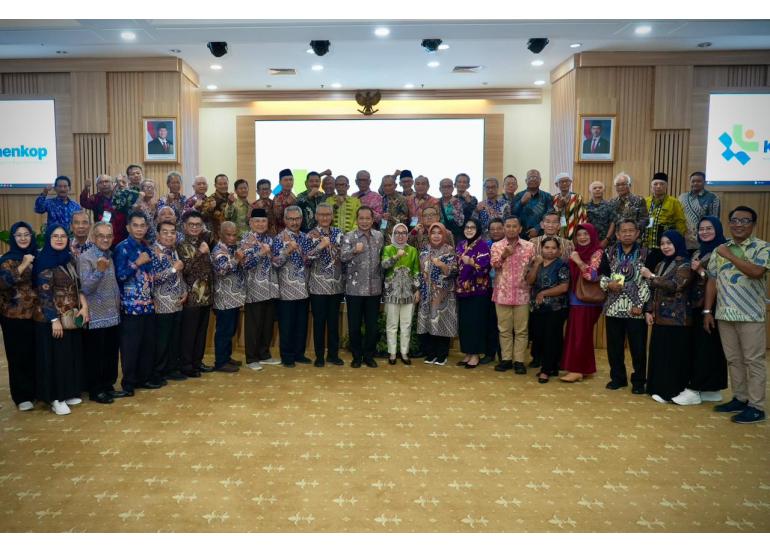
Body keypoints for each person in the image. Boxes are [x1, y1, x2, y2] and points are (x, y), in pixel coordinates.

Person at [705, 206, 769, 424]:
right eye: (734, 220)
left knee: (754, 361)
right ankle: (740, 398)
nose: (738, 224)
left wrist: (730, 256)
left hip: (751, 315)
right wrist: (707, 310)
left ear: (753, 224)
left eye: (745, 221)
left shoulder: (762, 248)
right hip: (724, 314)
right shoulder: (721, 249)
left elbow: (756, 272)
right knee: (733, 360)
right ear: (729, 223)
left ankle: (757, 407)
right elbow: (712, 280)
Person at [32, 225, 89, 415]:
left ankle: (68, 392)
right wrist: (53, 320)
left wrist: (84, 306)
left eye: (63, 236)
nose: (59, 239)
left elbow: (78, 285)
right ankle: (55, 398)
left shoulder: (68, 258)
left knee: (69, 356)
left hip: (70, 316)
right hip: (51, 319)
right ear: (49, 239)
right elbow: (44, 294)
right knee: (55, 359)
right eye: (55, 236)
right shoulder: (44, 261)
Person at [672, 216, 728, 405]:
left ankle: (695, 389)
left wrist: (700, 271)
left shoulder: (723, 251)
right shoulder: (698, 251)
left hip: (712, 305)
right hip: (696, 304)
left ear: (718, 229)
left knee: (707, 347)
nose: (704, 232)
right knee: (703, 346)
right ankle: (711, 388)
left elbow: (720, 280)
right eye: (701, 229)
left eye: (709, 228)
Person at [641, 231, 694, 403]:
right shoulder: (661, 263)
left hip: (677, 319)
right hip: (659, 317)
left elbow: (675, 285)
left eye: (669, 243)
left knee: (673, 357)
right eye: (662, 243)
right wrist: (648, 310)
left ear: (677, 243)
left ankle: (671, 392)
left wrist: (651, 276)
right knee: (660, 354)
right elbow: (652, 289)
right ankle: (657, 388)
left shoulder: (685, 264)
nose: (665, 247)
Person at [599, 219, 651, 394]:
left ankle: (639, 381)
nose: (627, 234)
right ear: (617, 234)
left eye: (631, 231)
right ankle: (617, 378)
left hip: (635, 308)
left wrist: (641, 305)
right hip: (613, 307)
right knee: (614, 347)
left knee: (638, 348)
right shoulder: (609, 252)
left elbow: (649, 281)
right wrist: (608, 284)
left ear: (637, 233)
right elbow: (601, 275)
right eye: (624, 231)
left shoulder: (646, 253)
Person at [114, 211, 158, 395]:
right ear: (128, 227)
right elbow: (120, 276)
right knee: (130, 347)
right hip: (130, 307)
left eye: (142, 225)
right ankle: (129, 384)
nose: (139, 229)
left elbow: (150, 276)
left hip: (148, 305)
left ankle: (144, 379)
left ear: (147, 228)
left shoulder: (146, 247)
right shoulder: (121, 248)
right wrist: (137, 263)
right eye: (135, 225)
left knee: (147, 345)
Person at [78, 221, 121, 404]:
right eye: (101, 236)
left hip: (113, 313)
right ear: (94, 237)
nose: (105, 239)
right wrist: (99, 271)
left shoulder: (109, 255)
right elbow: (85, 288)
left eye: (108, 236)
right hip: (96, 315)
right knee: (96, 355)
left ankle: (108, 386)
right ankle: (96, 390)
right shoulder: (86, 257)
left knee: (111, 353)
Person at [0, 222, 38, 411]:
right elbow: (2, 283)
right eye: (19, 235)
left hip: (36, 315)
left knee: (35, 355)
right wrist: (23, 265)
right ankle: (22, 396)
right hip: (13, 316)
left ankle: (36, 391)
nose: (23, 238)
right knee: (18, 356)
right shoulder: (7, 260)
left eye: (26, 234)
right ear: (13, 238)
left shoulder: (37, 256)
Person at [560, 223, 604, 383]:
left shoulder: (597, 252)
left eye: (586, 234)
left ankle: (577, 370)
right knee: (578, 334)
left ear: (592, 235)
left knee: (580, 335)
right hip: (576, 298)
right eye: (579, 235)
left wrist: (578, 261)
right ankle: (583, 368)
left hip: (588, 300)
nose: (582, 237)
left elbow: (592, 276)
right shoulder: (577, 251)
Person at [341, 206, 384, 368]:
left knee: (372, 327)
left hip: (374, 289)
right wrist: (354, 250)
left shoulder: (379, 236)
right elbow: (342, 257)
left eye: (368, 218)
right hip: (354, 290)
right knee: (354, 327)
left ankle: (369, 356)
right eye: (361, 218)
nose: (364, 221)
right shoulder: (349, 236)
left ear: (372, 220)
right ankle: (357, 356)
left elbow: (382, 259)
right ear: (356, 219)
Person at [490, 216, 534, 374]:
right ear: (504, 228)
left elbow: (533, 268)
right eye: (507, 226)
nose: (511, 229)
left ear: (520, 228)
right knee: (504, 330)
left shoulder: (529, 246)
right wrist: (504, 255)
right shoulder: (497, 246)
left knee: (521, 330)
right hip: (502, 293)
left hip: (523, 294)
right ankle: (506, 359)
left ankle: (519, 361)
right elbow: (494, 265)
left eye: (514, 226)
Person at [272, 206, 314, 367]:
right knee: (287, 325)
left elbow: (310, 260)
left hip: (304, 288)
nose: (294, 222)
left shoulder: (306, 237)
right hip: (286, 290)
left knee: (301, 324)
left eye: (297, 219)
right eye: (290, 219)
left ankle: (299, 354)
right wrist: (287, 251)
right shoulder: (279, 238)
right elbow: (275, 263)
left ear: (301, 219)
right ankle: (287, 356)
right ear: (285, 220)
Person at [241, 208, 281, 371]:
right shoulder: (246, 240)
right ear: (251, 223)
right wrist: (260, 253)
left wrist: (277, 254)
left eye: (263, 221)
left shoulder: (271, 239)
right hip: (255, 288)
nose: (260, 224)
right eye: (257, 221)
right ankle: (251, 358)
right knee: (254, 325)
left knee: (267, 323)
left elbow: (277, 262)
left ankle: (264, 354)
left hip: (271, 287)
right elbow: (245, 264)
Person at [306, 204, 345, 367]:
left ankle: (333, 355)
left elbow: (344, 255)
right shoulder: (310, 235)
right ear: (316, 216)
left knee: (334, 322)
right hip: (318, 286)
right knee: (319, 322)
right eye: (321, 215)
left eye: (328, 214)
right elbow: (306, 258)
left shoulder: (339, 233)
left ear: (332, 216)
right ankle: (320, 356)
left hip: (336, 285)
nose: (324, 218)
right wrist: (320, 247)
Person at [526, 237, 569, 383]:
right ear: (541, 249)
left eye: (553, 248)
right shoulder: (536, 263)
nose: (550, 251)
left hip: (555, 308)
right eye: (547, 247)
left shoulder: (562, 265)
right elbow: (530, 281)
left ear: (559, 250)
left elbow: (564, 287)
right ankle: (552, 367)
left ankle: (546, 370)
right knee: (539, 337)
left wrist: (544, 293)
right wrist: (536, 265)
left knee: (551, 338)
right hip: (538, 307)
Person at [177, 211, 215, 377]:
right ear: (184, 226)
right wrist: (200, 252)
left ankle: (197, 362)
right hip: (191, 297)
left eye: (198, 225)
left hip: (205, 295)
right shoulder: (180, 245)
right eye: (191, 224)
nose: (194, 227)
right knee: (189, 334)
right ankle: (186, 365)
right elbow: (185, 269)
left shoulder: (203, 242)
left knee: (201, 332)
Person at [151, 220, 188, 383]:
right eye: (165, 232)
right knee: (162, 340)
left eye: (172, 232)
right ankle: (158, 372)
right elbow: (153, 279)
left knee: (174, 338)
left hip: (176, 302)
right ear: (158, 235)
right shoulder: (154, 252)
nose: (169, 235)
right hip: (161, 303)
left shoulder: (173, 251)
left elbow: (179, 275)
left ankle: (171, 369)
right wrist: (173, 269)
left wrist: (184, 290)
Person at [417, 223, 458, 366]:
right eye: (433, 233)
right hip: (426, 293)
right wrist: (418, 289)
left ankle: (442, 354)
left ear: (444, 235)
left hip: (443, 294)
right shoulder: (424, 250)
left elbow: (454, 271)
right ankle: (431, 353)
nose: (436, 235)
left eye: (439, 233)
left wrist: (442, 265)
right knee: (429, 323)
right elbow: (420, 271)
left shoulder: (449, 250)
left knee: (442, 323)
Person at [381, 223, 420, 365]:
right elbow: (384, 265)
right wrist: (396, 256)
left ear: (407, 235)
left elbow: (416, 271)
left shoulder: (413, 250)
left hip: (409, 293)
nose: (401, 235)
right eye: (397, 232)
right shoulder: (388, 249)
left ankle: (404, 353)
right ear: (393, 234)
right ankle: (392, 353)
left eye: (404, 233)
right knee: (392, 324)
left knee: (406, 324)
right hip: (392, 292)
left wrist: (417, 289)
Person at [455, 219, 491, 370]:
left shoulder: (483, 245)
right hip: (462, 291)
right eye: (467, 227)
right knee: (465, 323)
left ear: (478, 229)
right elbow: (456, 265)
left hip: (478, 291)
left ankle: (475, 354)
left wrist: (471, 263)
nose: (469, 230)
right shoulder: (461, 244)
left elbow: (485, 268)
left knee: (476, 323)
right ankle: (467, 353)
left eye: (472, 227)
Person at [211, 221, 246, 373]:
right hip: (223, 298)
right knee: (224, 331)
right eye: (228, 235)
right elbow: (221, 271)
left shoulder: (233, 248)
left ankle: (226, 357)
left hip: (234, 297)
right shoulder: (218, 250)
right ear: (220, 234)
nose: (232, 238)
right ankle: (220, 362)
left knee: (230, 330)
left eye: (234, 235)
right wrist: (236, 259)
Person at [643, 172, 687, 269]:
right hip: (648, 246)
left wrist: (677, 243)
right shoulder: (645, 201)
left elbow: (681, 223)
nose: (658, 186)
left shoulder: (674, 202)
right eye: (655, 184)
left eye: (661, 184)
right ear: (651, 187)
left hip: (665, 247)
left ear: (666, 186)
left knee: (663, 271)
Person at [481, 218, 505, 365]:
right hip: (488, 287)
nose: (495, 231)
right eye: (492, 229)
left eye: (498, 228)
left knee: (503, 323)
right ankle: (489, 352)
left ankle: (504, 354)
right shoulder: (485, 245)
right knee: (489, 321)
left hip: (504, 288)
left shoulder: (509, 245)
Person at [678, 171, 721, 252]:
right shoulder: (682, 197)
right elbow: (678, 217)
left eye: (699, 181)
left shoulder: (712, 197)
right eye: (693, 181)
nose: (695, 183)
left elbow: (714, 220)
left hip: (704, 239)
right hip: (685, 239)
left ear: (704, 182)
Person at [80, 174, 126, 247]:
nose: (104, 184)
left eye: (106, 181)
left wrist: (122, 185)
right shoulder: (95, 198)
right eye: (100, 182)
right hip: (103, 237)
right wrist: (86, 189)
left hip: (121, 235)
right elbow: (84, 203)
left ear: (112, 183)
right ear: (97, 186)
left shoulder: (121, 196)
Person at [512, 169, 553, 239]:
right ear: (526, 181)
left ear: (540, 180)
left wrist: (537, 228)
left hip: (542, 234)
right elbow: (513, 214)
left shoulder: (547, 196)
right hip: (521, 235)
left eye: (535, 177)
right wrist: (521, 203)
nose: (533, 179)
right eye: (530, 177)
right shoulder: (518, 196)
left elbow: (550, 216)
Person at [607, 172, 649, 239]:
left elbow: (645, 220)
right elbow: (609, 222)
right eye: (618, 185)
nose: (620, 187)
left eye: (623, 184)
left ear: (629, 185)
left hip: (633, 238)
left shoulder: (639, 200)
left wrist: (632, 229)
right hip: (615, 239)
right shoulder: (611, 202)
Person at [551, 172, 587, 240]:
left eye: (567, 181)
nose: (564, 183)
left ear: (570, 183)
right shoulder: (553, 198)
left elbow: (583, 216)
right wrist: (559, 207)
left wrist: (581, 232)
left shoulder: (578, 197)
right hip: (557, 231)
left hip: (574, 230)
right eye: (561, 182)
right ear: (556, 184)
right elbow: (551, 215)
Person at [201, 173, 235, 242]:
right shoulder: (210, 199)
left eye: (225, 183)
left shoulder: (232, 198)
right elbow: (203, 217)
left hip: (232, 236)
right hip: (216, 237)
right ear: (215, 185)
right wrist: (210, 209)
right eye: (220, 184)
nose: (223, 186)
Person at [380, 174, 410, 242]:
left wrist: (391, 218)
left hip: (397, 236)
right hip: (382, 235)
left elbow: (405, 220)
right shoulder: (381, 199)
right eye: (385, 185)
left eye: (389, 185)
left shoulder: (402, 200)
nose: (387, 188)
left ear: (395, 185)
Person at [585, 180, 615, 248]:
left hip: (606, 242)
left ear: (603, 190)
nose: (597, 189)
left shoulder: (610, 205)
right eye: (594, 188)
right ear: (590, 191)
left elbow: (612, 223)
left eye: (600, 188)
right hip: (589, 241)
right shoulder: (585, 207)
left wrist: (607, 239)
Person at [438, 178, 465, 242]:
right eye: (444, 187)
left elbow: (460, 223)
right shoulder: (436, 202)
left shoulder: (458, 202)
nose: (446, 189)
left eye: (449, 186)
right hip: (439, 235)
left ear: (452, 188)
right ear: (440, 189)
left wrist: (454, 206)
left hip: (454, 236)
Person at [273, 169, 297, 234]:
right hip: (282, 233)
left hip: (295, 231)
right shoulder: (277, 198)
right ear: (280, 182)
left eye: (291, 180)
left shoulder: (293, 196)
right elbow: (278, 218)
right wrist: (287, 203)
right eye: (286, 180)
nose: (289, 182)